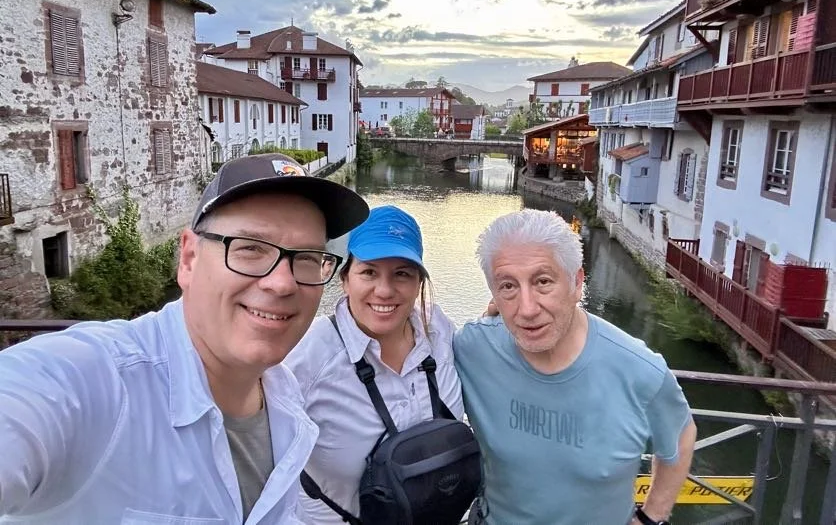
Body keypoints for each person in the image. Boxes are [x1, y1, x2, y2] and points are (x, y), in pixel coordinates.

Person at [0, 153, 369, 524]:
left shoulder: (285, 402)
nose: (283, 283)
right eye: (250, 248)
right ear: (189, 258)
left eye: (306, 257)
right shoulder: (91, 382)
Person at [454, 209, 696, 525]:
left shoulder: (639, 370)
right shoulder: (473, 348)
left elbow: (680, 435)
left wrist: (652, 517)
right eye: (508, 287)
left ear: (577, 283)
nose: (527, 310)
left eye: (543, 282)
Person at [284, 205, 464, 524]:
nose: (384, 290)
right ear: (345, 279)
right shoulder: (308, 356)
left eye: (402, 274)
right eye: (369, 272)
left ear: (419, 282)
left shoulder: (438, 331)